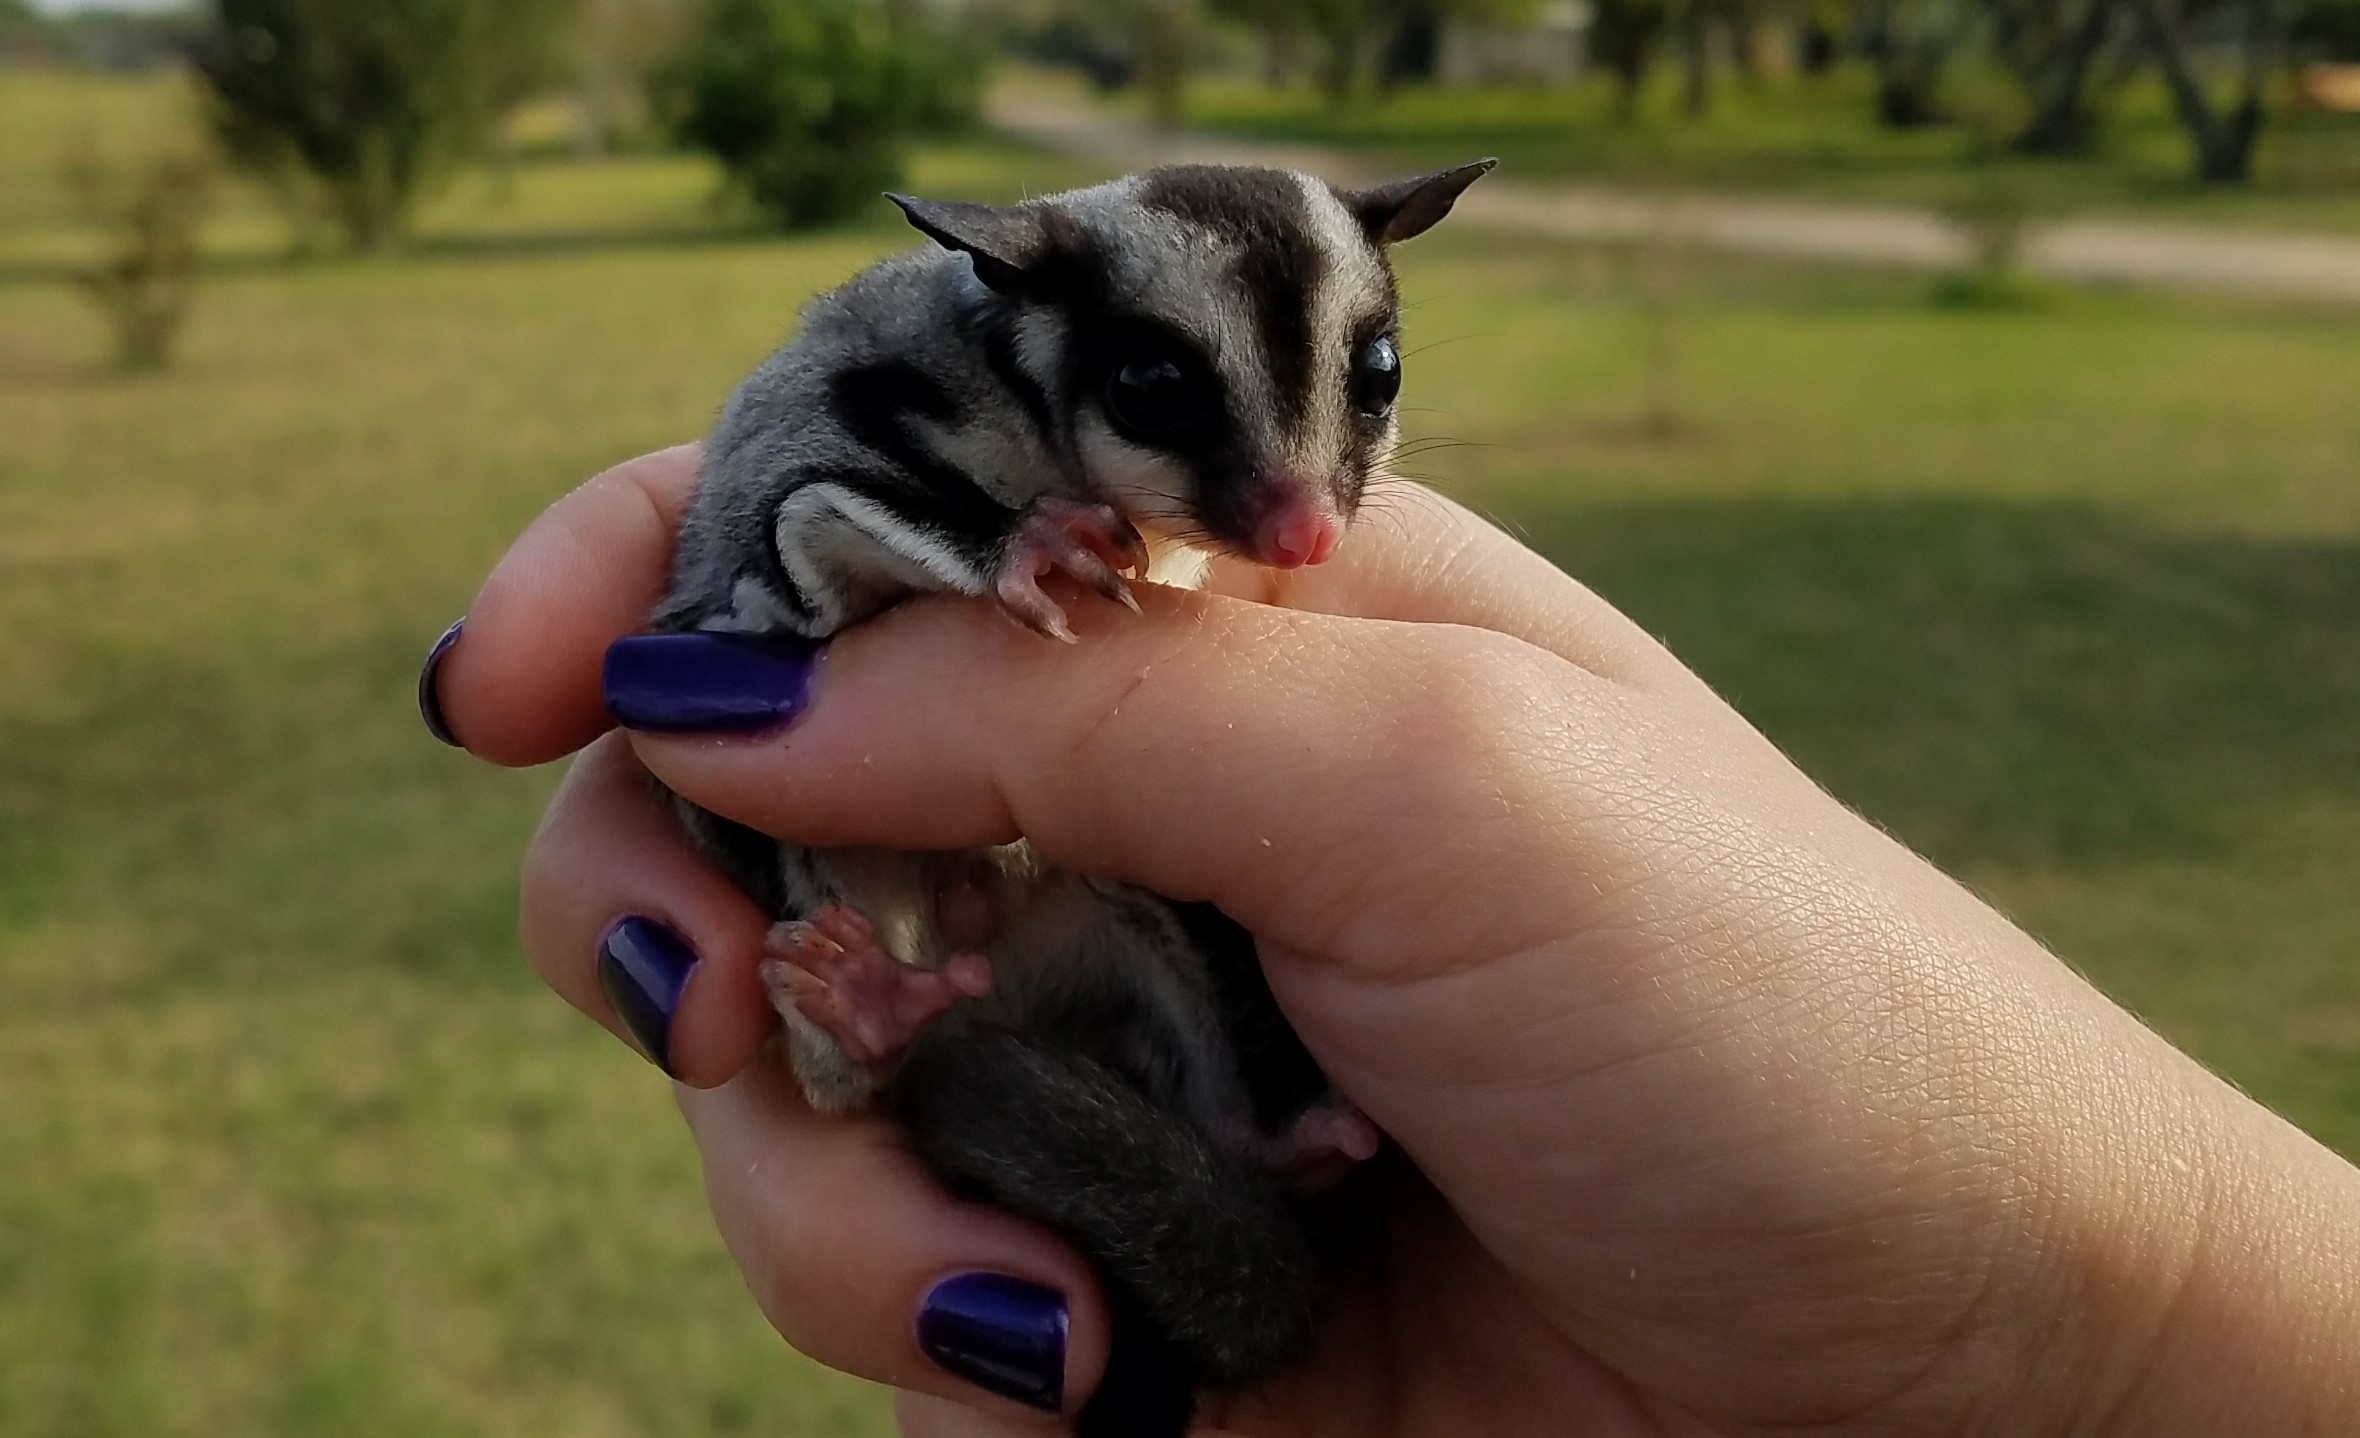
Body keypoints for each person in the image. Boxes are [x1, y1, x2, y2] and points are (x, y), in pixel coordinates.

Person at [423, 446, 2360, 1437]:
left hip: (1229, 1116)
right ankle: (943, 1034)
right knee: (934, 974)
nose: (1315, 512)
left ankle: (963, 1042)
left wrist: (2101, 1335)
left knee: (1066, 960)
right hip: (1158, 1097)